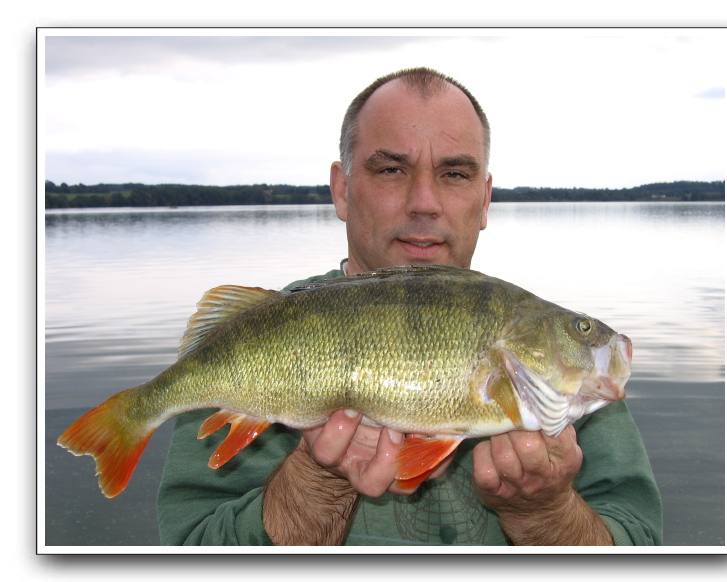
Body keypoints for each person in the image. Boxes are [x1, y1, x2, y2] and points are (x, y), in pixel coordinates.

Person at [157, 67, 662, 546]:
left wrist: (544, 513)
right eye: (392, 169)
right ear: (342, 190)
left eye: (455, 174)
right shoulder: (255, 340)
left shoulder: (559, 376)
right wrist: (316, 485)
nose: (424, 201)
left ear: (485, 199)